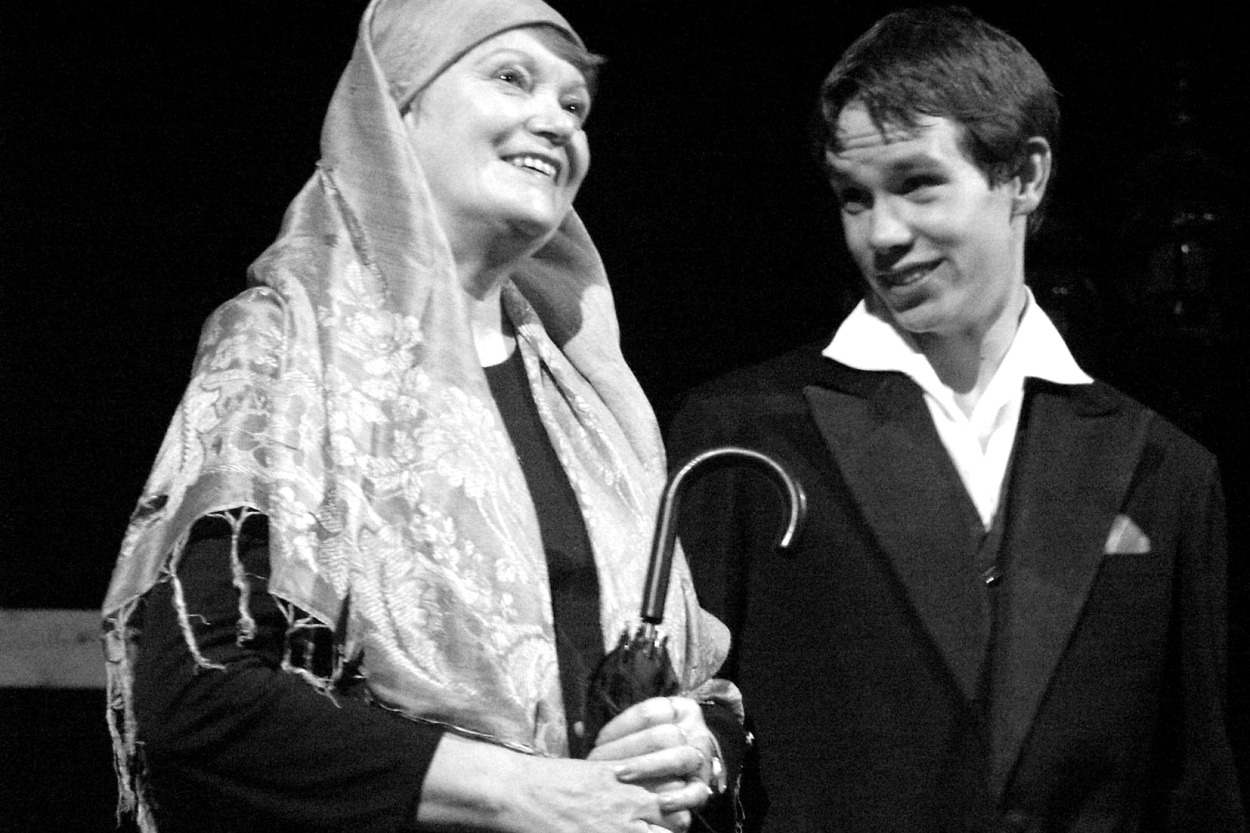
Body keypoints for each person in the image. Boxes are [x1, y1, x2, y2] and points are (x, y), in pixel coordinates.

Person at [101, 1, 744, 831]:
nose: (556, 122)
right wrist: (521, 792)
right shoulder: (288, 345)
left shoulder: (586, 394)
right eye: (512, 78)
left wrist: (696, 744)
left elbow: (694, 681)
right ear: (397, 107)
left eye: (574, 105)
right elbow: (201, 691)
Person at [667, 6, 1245, 832]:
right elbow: (679, 746)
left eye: (917, 183)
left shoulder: (1165, 468)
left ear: (1025, 176)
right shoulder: (742, 432)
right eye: (854, 197)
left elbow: (1196, 790)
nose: (882, 234)